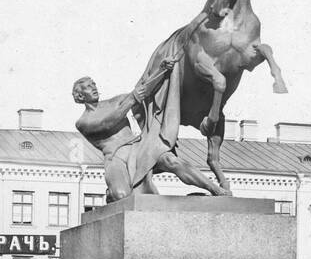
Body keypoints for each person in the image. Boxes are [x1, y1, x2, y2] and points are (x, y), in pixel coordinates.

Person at [73, 60, 226, 202]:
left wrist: (161, 69)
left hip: (138, 148)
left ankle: (216, 189)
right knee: (121, 196)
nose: (93, 87)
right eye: (88, 86)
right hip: (116, 158)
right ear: (80, 96)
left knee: (171, 160)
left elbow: (143, 91)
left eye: (93, 84)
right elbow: (107, 122)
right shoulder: (82, 122)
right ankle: (111, 194)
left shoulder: (115, 101)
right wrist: (132, 99)